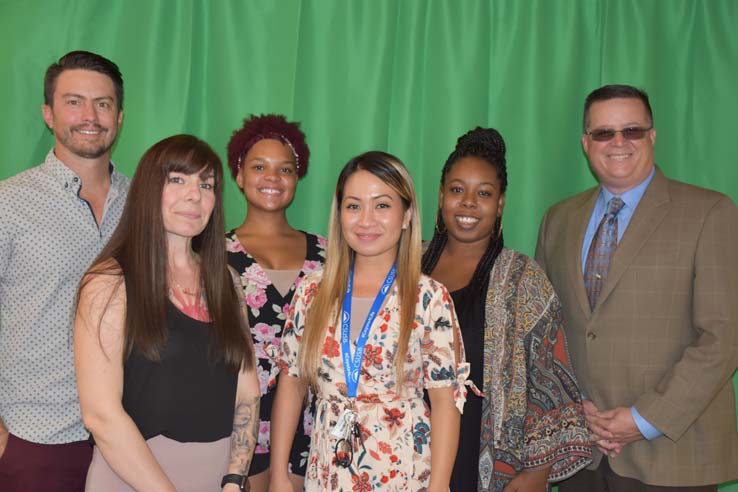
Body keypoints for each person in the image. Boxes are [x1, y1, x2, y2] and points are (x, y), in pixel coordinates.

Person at [535, 84, 738, 491]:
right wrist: (572, 410)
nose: (618, 143)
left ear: (653, 136)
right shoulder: (558, 219)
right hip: (581, 454)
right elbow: (544, 331)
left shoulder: (709, 212)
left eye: (632, 130)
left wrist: (644, 419)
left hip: (672, 456)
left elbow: (724, 336)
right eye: (603, 133)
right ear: (586, 143)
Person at [270, 151, 468, 491]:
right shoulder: (311, 292)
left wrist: (439, 486)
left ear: (406, 215)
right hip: (327, 472)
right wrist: (277, 475)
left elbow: (445, 403)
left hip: (403, 475)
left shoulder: (428, 298)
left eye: (382, 205)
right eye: (353, 205)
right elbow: (291, 384)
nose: (365, 220)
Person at [74, 134, 260, 491]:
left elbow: (246, 392)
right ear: (147, 189)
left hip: (217, 477)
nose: (195, 195)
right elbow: (101, 415)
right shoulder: (109, 283)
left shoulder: (227, 281)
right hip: (134, 478)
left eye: (206, 184)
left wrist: (235, 479)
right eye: (177, 180)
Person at [421, 127, 592, 492]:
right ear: (440, 197)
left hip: (484, 463)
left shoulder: (522, 279)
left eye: (483, 193)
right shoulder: (406, 267)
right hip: (402, 453)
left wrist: (536, 471)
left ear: (500, 204)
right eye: (457, 190)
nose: (468, 203)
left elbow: (551, 384)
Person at [0, 50, 129, 491]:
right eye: (74, 101)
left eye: (103, 103)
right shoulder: (8, 203)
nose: (90, 116)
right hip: (37, 440)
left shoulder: (146, 206)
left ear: (120, 116)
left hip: (131, 437)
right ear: (48, 114)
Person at [225, 114, 326, 491]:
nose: (272, 177)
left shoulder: (329, 255)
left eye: (285, 168)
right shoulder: (211, 254)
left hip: (312, 423)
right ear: (239, 175)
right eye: (259, 167)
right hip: (237, 422)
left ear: (297, 178)